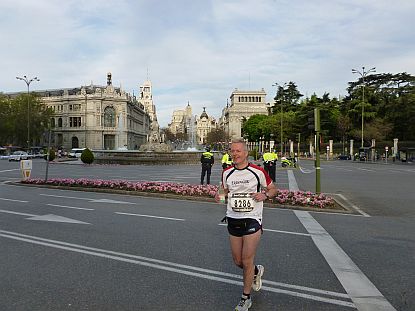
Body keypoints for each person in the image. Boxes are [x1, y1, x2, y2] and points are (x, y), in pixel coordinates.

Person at [215, 138, 277, 311]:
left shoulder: (257, 171)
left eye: (238, 151)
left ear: (246, 152)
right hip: (233, 218)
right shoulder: (227, 172)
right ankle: (256, 272)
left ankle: (245, 298)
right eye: (232, 151)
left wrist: (264, 195)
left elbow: (273, 189)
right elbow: (223, 191)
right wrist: (219, 196)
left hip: (252, 219)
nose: (234, 154)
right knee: (238, 261)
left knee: (247, 259)